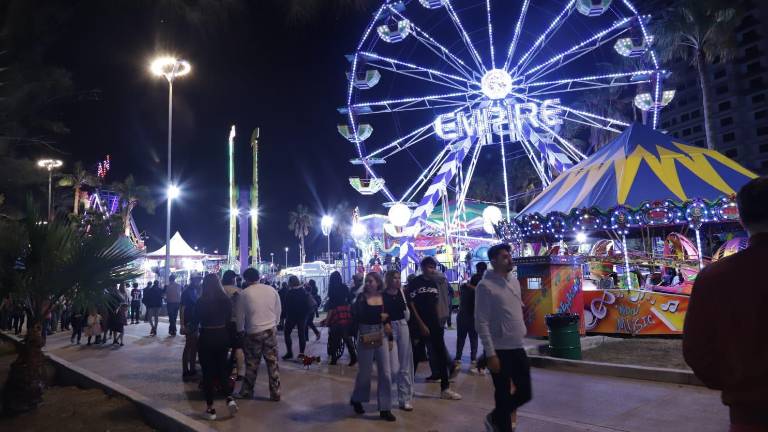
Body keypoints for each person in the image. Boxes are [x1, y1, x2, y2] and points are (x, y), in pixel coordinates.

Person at [684, 177, 768, 432]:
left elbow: (697, 350)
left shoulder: (714, 276)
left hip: (748, 412)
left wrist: (736, 383)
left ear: (741, 219)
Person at [476, 243, 531, 432]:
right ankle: (502, 425)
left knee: (525, 392)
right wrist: (490, 354)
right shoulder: (484, 286)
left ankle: (496, 417)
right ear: (494, 261)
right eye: (504, 257)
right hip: (499, 349)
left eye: (509, 255)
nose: (509, 259)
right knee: (503, 393)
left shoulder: (514, 281)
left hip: (517, 346)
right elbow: (481, 322)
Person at [406, 256, 461, 401]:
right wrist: (421, 324)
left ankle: (445, 388)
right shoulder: (415, 283)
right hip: (419, 325)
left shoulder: (434, 283)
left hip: (434, 324)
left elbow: (435, 303)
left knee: (440, 355)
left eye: (434, 267)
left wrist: (437, 321)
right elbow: (412, 305)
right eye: (430, 267)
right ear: (423, 267)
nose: (432, 270)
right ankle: (407, 388)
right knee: (416, 356)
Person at [349, 272, 396, 422]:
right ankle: (357, 398)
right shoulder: (361, 298)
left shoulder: (384, 298)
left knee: (386, 372)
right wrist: (378, 318)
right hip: (366, 334)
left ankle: (385, 408)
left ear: (378, 283)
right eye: (367, 281)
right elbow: (358, 317)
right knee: (365, 372)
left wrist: (390, 337)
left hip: (381, 334)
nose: (368, 283)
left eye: (371, 281)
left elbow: (388, 318)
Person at [195, 274, 238, 421]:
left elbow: (196, 319)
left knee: (207, 373)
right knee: (222, 370)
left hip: (206, 336)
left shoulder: (201, 301)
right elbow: (228, 319)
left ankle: (210, 409)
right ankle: (229, 398)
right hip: (222, 336)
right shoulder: (226, 300)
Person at [235, 268, 282, 401]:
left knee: (252, 364)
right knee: (272, 363)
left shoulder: (244, 294)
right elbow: (278, 310)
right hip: (270, 330)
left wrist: (240, 330)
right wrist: (275, 323)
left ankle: (247, 392)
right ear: (259, 277)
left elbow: (240, 316)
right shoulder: (271, 290)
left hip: (253, 332)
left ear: (246, 279)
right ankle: (275, 393)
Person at [383, 270, 414, 412]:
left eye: (399, 278)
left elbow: (406, 312)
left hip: (402, 325)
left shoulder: (402, 292)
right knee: (393, 367)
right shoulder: (382, 295)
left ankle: (405, 398)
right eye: (394, 278)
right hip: (389, 328)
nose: (397, 280)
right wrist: (385, 324)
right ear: (389, 279)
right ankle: (387, 398)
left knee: (404, 365)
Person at [455, 262, 485, 375]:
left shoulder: (465, 288)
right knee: (474, 338)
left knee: (461, 338)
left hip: (462, 315)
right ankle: (473, 358)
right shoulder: (481, 288)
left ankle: (458, 357)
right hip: (473, 316)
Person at [323, 271, 356, 366]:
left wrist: (327, 320)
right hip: (345, 313)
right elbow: (349, 300)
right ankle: (353, 356)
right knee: (346, 336)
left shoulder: (332, 289)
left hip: (335, 314)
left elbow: (331, 306)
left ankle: (334, 359)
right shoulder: (345, 287)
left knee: (334, 337)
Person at [222, 270, 246, 394]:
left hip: (221, 323)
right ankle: (240, 372)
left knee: (223, 348)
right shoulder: (239, 291)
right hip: (235, 323)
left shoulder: (220, 290)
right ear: (233, 279)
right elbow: (242, 311)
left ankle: (222, 369)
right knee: (238, 347)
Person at [282, 276, 312, 361]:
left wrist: (285, 315)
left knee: (287, 333)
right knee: (301, 334)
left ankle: (289, 352)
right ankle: (301, 354)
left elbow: (286, 305)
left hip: (291, 316)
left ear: (290, 283)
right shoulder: (303, 291)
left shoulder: (290, 293)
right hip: (302, 316)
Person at [181, 276, 201, 380]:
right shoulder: (187, 292)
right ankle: (185, 369)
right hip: (189, 322)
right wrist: (182, 324)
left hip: (196, 321)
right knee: (189, 345)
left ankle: (192, 368)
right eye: (197, 279)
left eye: (199, 280)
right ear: (192, 280)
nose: (198, 281)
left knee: (194, 346)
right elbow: (182, 308)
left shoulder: (197, 291)